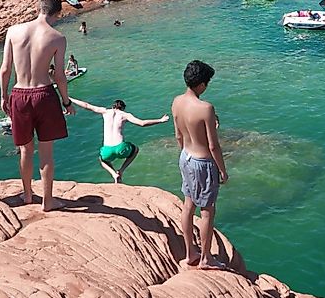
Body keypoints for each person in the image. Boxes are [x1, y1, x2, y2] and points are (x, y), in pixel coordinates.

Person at [0, 0, 75, 212]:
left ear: (38, 8)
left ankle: (27, 195)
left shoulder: (13, 31)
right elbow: (59, 75)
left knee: (25, 150)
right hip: (44, 95)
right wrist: (66, 101)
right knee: (46, 152)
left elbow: (5, 69)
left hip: (19, 93)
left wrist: (4, 96)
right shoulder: (57, 37)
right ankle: (48, 201)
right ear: (57, 13)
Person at [172, 60, 228, 269]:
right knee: (207, 210)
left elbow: (178, 135)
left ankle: (190, 253)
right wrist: (222, 171)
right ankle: (206, 258)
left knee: (188, 205)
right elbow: (213, 146)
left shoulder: (176, 101)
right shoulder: (206, 108)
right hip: (202, 163)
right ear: (202, 84)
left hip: (185, 156)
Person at [71, 97, 169, 183]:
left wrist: (69, 99)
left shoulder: (105, 111)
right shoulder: (125, 115)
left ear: (113, 106)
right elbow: (142, 123)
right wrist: (160, 120)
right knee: (135, 150)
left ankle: (114, 174)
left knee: (102, 159)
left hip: (107, 150)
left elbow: (86, 105)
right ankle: (121, 170)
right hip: (121, 148)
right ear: (123, 108)